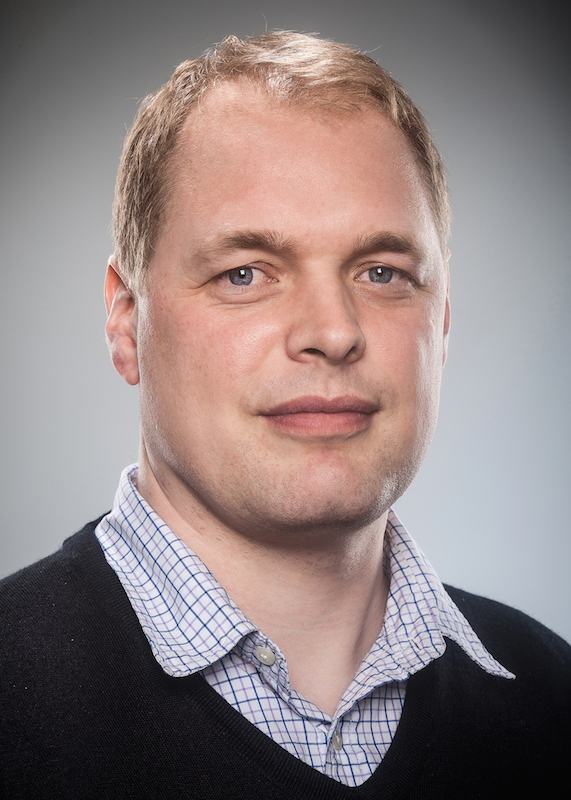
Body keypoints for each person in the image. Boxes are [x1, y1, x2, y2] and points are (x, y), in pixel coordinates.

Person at [1, 31, 569, 799]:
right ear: (126, 322)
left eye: (381, 272)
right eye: (244, 273)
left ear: (440, 325)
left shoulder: (552, 697)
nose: (332, 332)